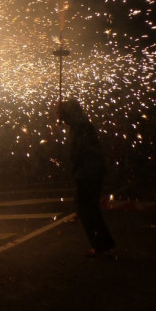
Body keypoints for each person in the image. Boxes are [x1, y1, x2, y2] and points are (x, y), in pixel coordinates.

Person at [57, 99, 115, 257]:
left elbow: (80, 152)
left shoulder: (80, 126)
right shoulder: (80, 125)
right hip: (89, 171)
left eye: (62, 113)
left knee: (87, 210)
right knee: (89, 209)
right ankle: (103, 243)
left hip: (88, 172)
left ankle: (100, 244)